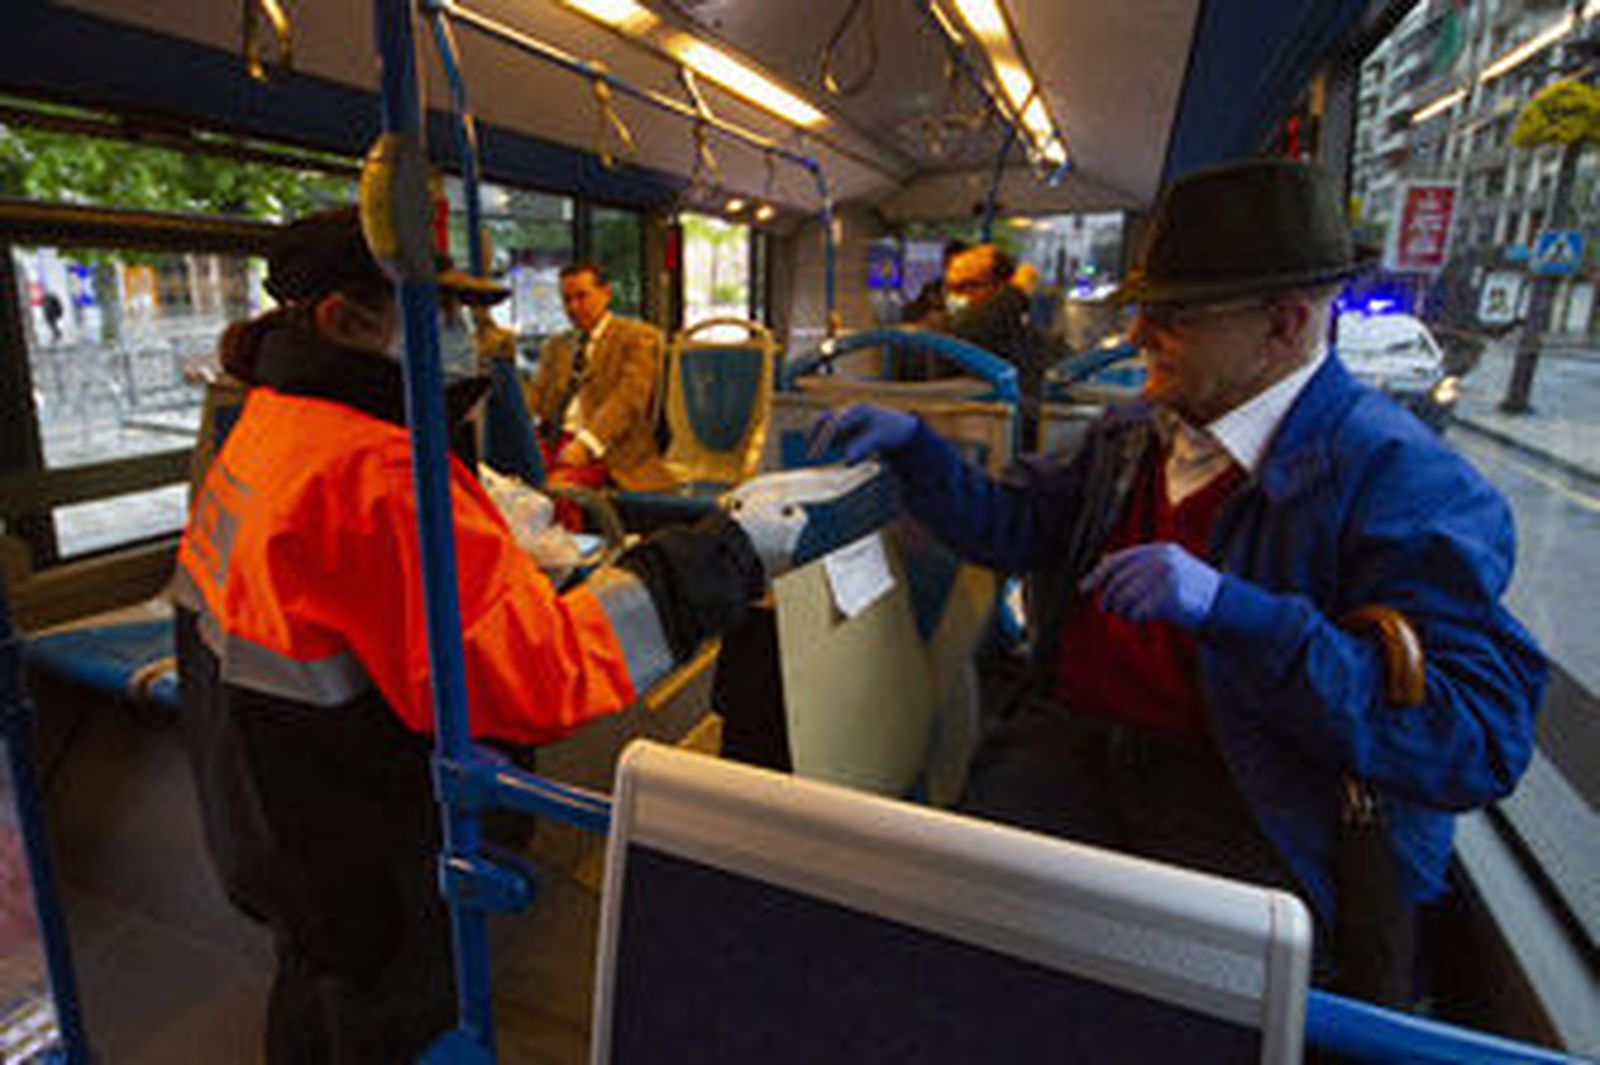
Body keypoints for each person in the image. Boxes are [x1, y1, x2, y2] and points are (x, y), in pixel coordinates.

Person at [811, 159, 1546, 1000]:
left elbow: (1475, 738)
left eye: (1173, 316)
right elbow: (1015, 526)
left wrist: (1237, 613)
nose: (1138, 335)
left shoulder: (1404, 482)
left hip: (1247, 796)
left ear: (1283, 324)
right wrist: (918, 451)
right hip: (1073, 747)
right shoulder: (1135, 434)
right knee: (934, 944)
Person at [172, 206, 803, 1063]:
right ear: (343, 319)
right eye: (438, 310)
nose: (463, 335)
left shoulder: (267, 423)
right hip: (370, 838)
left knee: (317, 992)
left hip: (271, 811)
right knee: (388, 1017)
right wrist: (722, 555)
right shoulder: (379, 470)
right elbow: (539, 672)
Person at [522, 262, 672, 492]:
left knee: (556, 491)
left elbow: (628, 400)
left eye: (582, 296)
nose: (573, 307)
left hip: (611, 453)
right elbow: (536, 397)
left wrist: (587, 443)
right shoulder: (556, 346)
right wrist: (521, 430)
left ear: (606, 294)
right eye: (566, 299)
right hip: (556, 443)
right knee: (512, 484)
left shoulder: (638, 338)